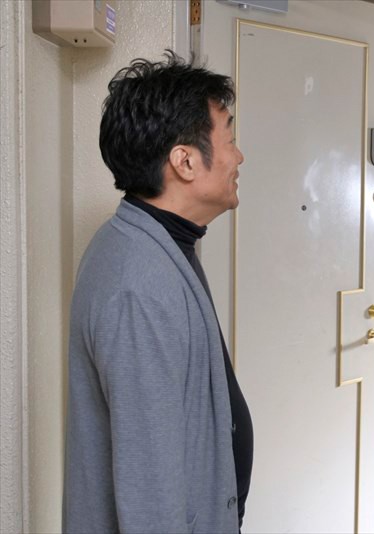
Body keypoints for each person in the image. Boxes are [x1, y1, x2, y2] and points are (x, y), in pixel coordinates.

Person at [63, 51, 252, 533]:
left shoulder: (162, 244)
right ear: (185, 161)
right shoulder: (137, 285)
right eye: (230, 140)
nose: (238, 157)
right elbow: (148, 486)